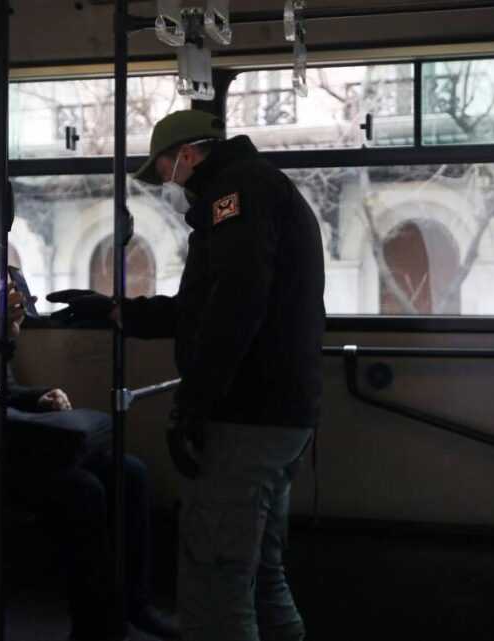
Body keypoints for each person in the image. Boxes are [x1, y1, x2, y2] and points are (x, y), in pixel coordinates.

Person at [50, 110, 326, 641]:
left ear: (187, 154)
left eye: (164, 169)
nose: (167, 183)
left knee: (215, 586)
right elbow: (200, 308)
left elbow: (235, 308)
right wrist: (117, 311)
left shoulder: (236, 195)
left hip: (246, 418)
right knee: (259, 577)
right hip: (280, 417)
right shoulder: (255, 189)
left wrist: (193, 404)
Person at [0, 228, 177, 641]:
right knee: (82, 490)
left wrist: (40, 396)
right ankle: (96, 626)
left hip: (4, 439)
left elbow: (3, 388)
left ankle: (135, 604)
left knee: (130, 473)